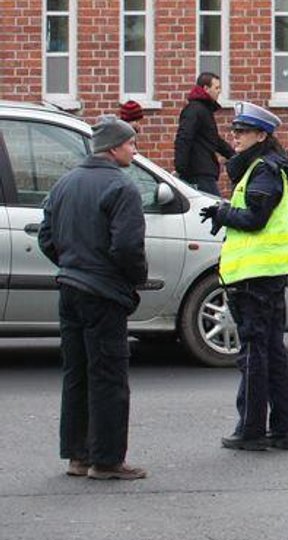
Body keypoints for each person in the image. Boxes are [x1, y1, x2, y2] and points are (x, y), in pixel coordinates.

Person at [38, 115, 148, 480]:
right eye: (131, 143)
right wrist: (134, 280)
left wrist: (71, 265)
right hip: (103, 293)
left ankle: (77, 455)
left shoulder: (65, 183)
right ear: (114, 148)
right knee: (109, 375)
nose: (134, 149)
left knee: (76, 373)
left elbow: (46, 237)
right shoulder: (122, 188)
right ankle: (106, 460)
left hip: (70, 288)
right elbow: (128, 248)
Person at [199, 101, 288, 452]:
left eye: (242, 132)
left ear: (262, 135)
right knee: (271, 350)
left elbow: (256, 218)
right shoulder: (261, 167)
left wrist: (224, 213)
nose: (235, 137)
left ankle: (252, 428)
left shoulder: (264, 170)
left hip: (257, 276)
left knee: (255, 353)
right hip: (261, 274)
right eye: (234, 131)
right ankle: (284, 429)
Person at [173, 72, 235, 196]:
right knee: (214, 208)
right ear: (206, 89)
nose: (219, 92)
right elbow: (184, 138)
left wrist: (234, 155)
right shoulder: (195, 110)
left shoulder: (204, 110)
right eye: (216, 88)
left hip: (203, 171)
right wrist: (180, 168)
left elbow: (214, 140)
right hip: (198, 173)